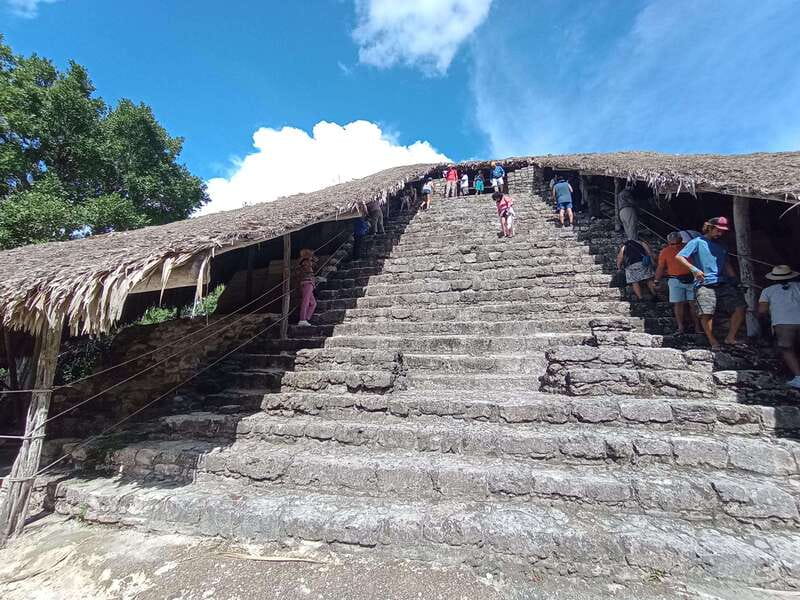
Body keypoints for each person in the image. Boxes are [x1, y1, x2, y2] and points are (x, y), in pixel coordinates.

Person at [675, 216, 746, 350]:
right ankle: (713, 341)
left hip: (723, 281)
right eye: (718, 230)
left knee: (740, 307)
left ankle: (730, 337)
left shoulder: (722, 245)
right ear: (709, 228)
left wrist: (735, 280)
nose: (720, 233)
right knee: (707, 313)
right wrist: (694, 269)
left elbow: (726, 263)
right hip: (704, 282)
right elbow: (680, 256)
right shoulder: (697, 242)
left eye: (722, 231)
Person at [758, 265, 800, 389]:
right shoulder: (798, 286)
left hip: (783, 322)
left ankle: (798, 377)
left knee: (787, 349)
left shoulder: (767, 291)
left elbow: (762, 310)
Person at [654, 232, 702, 335]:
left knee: (693, 304)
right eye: (673, 244)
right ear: (668, 243)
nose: (675, 246)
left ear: (681, 240)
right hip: (675, 279)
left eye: (678, 243)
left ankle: (697, 327)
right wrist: (656, 280)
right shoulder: (665, 252)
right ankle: (681, 327)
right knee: (679, 304)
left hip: (691, 278)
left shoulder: (688, 248)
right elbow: (660, 267)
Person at [297, 249, 318, 326]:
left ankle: (306, 318)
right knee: (305, 301)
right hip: (308, 282)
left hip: (309, 283)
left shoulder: (302, 262)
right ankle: (302, 319)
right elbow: (315, 265)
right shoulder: (307, 262)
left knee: (313, 303)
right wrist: (312, 259)